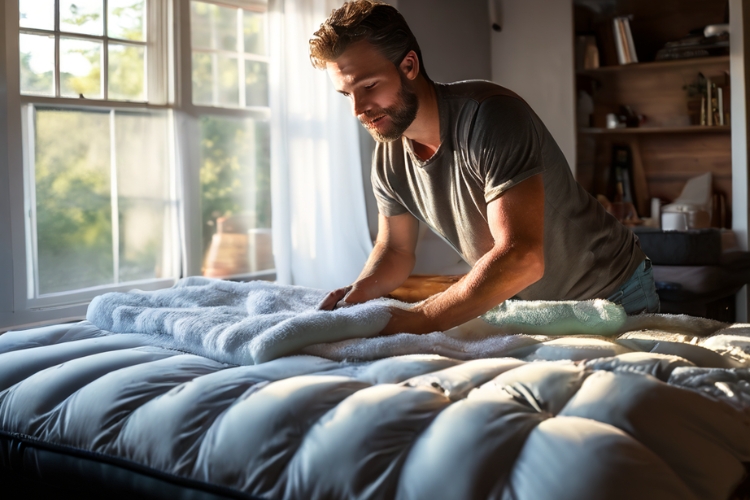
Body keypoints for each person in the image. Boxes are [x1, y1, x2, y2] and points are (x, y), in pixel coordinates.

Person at [310, 0, 659, 335]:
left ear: (409, 66)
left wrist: (419, 318)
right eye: (346, 95)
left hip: (611, 293)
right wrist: (355, 300)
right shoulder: (388, 155)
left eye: (369, 86)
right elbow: (396, 250)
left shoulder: (491, 116)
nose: (359, 109)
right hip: (531, 311)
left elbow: (522, 257)